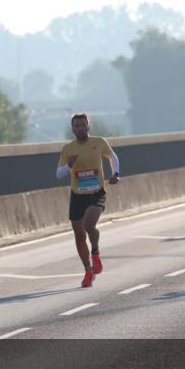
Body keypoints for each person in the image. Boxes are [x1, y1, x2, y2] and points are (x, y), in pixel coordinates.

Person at [56, 113, 121, 288]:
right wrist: (69, 165)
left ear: (88, 126)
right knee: (79, 236)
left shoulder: (99, 142)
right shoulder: (68, 149)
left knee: (89, 226)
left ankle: (96, 253)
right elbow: (59, 174)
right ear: (72, 129)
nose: (80, 128)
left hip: (96, 192)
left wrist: (115, 174)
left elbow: (112, 158)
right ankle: (88, 270)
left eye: (83, 125)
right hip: (77, 195)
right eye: (76, 125)